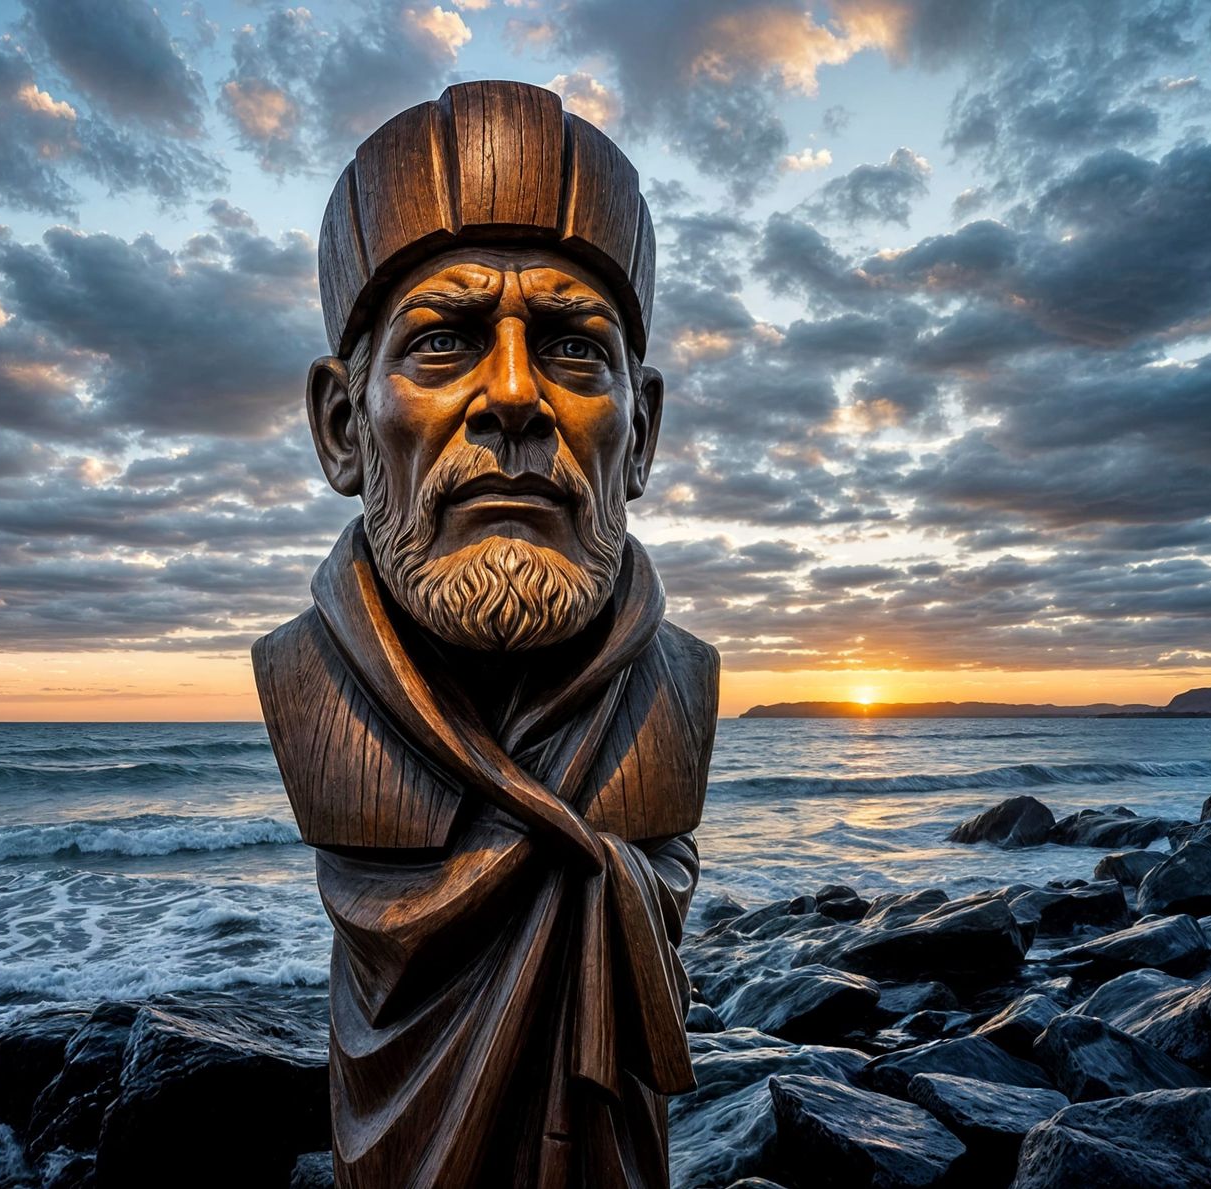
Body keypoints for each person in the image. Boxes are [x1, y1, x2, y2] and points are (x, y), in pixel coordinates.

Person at [253, 79, 718, 1189]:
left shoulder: (682, 685)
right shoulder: (300, 681)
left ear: (642, 432)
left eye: (572, 348)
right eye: (443, 341)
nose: (513, 396)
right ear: (341, 426)